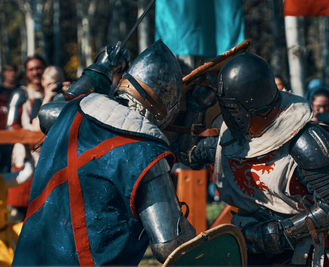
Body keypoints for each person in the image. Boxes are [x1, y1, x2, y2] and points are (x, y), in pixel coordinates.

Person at [13, 40, 195, 265]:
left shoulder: (72, 116)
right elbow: (171, 245)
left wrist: (99, 71)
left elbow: (49, 113)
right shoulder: (146, 152)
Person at [189, 52, 329, 266]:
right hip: (242, 244)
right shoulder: (230, 136)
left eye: (233, 108)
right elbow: (190, 154)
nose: (229, 116)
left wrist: (279, 233)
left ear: (254, 103)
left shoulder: (305, 141)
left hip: (297, 252)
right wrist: (194, 108)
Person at [5, 55, 46, 222]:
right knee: (20, 212)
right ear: (26, 72)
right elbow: (11, 125)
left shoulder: (53, 92)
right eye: (31, 69)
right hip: (25, 157)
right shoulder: (21, 94)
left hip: (48, 158)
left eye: (38, 68)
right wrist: (30, 139)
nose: (35, 72)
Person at [0, 65, 18, 174]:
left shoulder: (20, 91)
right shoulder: (0, 91)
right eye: (8, 71)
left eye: (13, 70)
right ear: (3, 73)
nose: (11, 74)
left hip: (16, 137)